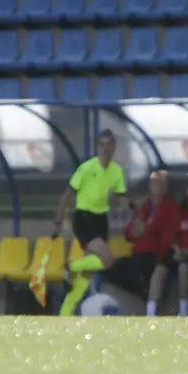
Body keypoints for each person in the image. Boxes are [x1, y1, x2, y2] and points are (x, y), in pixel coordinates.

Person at [51, 129, 131, 317]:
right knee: (108, 259)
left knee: (86, 276)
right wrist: (58, 219)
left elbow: (121, 197)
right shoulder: (87, 168)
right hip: (84, 218)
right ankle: (71, 266)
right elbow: (67, 194)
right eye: (102, 145)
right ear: (97, 147)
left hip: (101, 220)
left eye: (109, 144)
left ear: (114, 147)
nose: (105, 149)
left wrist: (132, 206)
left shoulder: (116, 171)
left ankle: (64, 315)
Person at [146, 176, 188, 317]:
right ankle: (150, 313)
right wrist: (177, 249)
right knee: (159, 270)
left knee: (183, 268)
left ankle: (183, 311)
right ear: (187, 191)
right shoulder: (178, 212)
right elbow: (169, 235)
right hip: (177, 251)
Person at [119, 170, 179, 315]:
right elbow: (129, 233)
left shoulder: (170, 208)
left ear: (166, 187)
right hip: (139, 253)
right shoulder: (143, 206)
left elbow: (165, 234)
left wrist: (145, 229)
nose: (157, 185)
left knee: (148, 272)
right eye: (154, 182)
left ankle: (148, 306)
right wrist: (136, 231)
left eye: (161, 182)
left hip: (156, 254)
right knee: (113, 268)